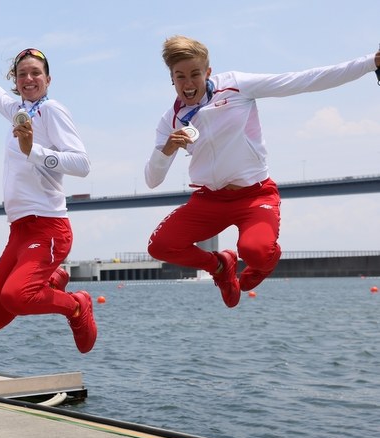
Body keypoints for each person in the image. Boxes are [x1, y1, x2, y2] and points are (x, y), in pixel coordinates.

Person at [144, 36, 380, 308]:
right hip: (209, 200)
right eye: (180, 76)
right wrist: (166, 149)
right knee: (160, 247)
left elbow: (304, 80)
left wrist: (371, 63)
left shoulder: (236, 86)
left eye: (195, 74)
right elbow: (152, 180)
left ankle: (265, 260)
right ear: (171, 78)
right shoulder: (170, 119)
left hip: (254, 196)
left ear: (208, 72)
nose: (188, 84)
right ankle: (220, 266)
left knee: (255, 251)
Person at [0, 48, 97, 353]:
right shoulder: (21, 111)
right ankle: (52, 280)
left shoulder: (52, 110)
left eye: (35, 73)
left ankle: (76, 305)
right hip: (19, 231)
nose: (29, 79)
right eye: (22, 74)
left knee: (16, 297)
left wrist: (32, 150)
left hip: (47, 226)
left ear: (48, 78)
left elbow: (82, 164)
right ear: (15, 81)